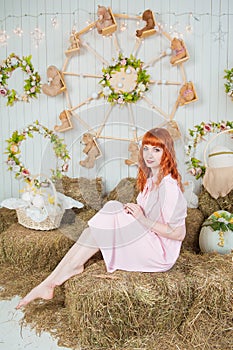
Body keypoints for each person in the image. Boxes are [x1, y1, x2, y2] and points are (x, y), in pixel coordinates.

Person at [16, 127, 187, 309]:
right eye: (146, 148)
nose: (149, 154)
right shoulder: (152, 180)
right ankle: (52, 280)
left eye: (156, 149)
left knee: (111, 209)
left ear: (166, 152)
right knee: (106, 216)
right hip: (148, 238)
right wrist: (134, 213)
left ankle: (57, 277)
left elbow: (178, 234)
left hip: (159, 254)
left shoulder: (169, 187)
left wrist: (141, 219)